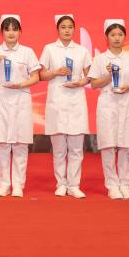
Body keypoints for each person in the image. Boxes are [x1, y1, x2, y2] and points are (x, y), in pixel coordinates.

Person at [87, 19, 129, 200]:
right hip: (108, 103)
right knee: (109, 145)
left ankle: (125, 185)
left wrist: (128, 86)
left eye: (120, 34)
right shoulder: (100, 59)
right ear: (107, 38)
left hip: (127, 102)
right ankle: (112, 186)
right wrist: (108, 75)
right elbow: (94, 84)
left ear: (124, 37)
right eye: (113, 35)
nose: (117, 38)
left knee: (126, 145)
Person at [0, 14, 41, 197]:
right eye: (7, 29)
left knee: (20, 143)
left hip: (20, 98)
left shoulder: (27, 52)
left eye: (14, 29)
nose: (11, 33)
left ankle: (18, 185)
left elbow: (36, 76)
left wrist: (21, 84)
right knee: (2, 143)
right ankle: (4, 184)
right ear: (1, 32)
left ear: (20, 32)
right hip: (0, 99)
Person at [39, 14, 91, 198]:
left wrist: (81, 82)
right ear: (57, 29)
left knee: (76, 148)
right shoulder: (49, 49)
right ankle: (61, 183)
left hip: (76, 100)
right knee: (59, 148)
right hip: (57, 100)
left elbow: (89, 76)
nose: (67, 30)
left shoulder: (82, 51)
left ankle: (74, 185)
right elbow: (41, 75)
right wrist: (55, 72)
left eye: (70, 27)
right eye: (63, 27)